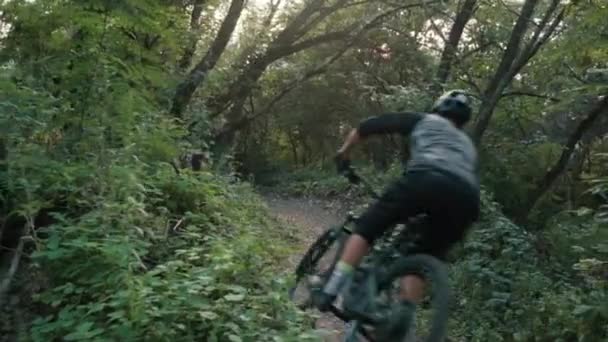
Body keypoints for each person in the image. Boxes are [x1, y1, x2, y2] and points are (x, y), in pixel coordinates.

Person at [311, 90, 481, 340]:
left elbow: (368, 126)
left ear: (438, 109)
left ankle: (331, 288)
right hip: (467, 198)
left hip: (425, 178)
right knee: (423, 254)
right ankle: (404, 315)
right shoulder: (468, 145)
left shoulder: (423, 120)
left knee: (367, 227)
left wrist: (344, 153)